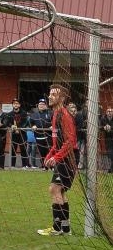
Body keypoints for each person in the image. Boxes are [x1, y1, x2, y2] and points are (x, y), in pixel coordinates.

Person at [37, 84, 77, 236]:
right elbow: (57, 143)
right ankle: (65, 228)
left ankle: (56, 228)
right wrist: (49, 155)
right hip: (63, 156)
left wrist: (57, 157)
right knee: (60, 191)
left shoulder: (64, 115)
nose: (49, 97)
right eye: (50, 94)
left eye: (53, 95)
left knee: (54, 189)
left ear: (62, 98)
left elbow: (70, 141)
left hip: (69, 157)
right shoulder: (55, 114)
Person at [7, 98, 30, 168]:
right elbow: (7, 122)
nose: (15, 105)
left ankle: (25, 165)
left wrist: (19, 129)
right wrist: (12, 126)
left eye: (17, 103)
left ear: (19, 105)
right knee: (13, 150)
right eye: (14, 104)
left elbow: (26, 122)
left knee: (23, 149)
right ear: (12, 105)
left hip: (22, 134)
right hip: (13, 134)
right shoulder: (9, 114)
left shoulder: (24, 113)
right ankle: (12, 165)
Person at [30, 98, 53, 169]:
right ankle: (44, 166)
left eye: (43, 104)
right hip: (38, 136)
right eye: (40, 104)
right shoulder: (34, 114)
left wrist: (52, 126)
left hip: (48, 136)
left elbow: (54, 121)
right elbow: (31, 123)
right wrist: (33, 126)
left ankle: (51, 166)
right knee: (41, 152)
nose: (41, 105)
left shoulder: (50, 113)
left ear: (46, 105)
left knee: (49, 151)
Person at [101, 106, 113, 172]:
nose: (109, 113)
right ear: (106, 112)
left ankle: (111, 169)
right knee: (110, 154)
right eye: (108, 111)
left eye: (111, 111)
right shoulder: (103, 119)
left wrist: (110, 128)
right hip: (108, 139)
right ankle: (111, 168)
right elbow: (100, 126)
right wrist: (104, 128)